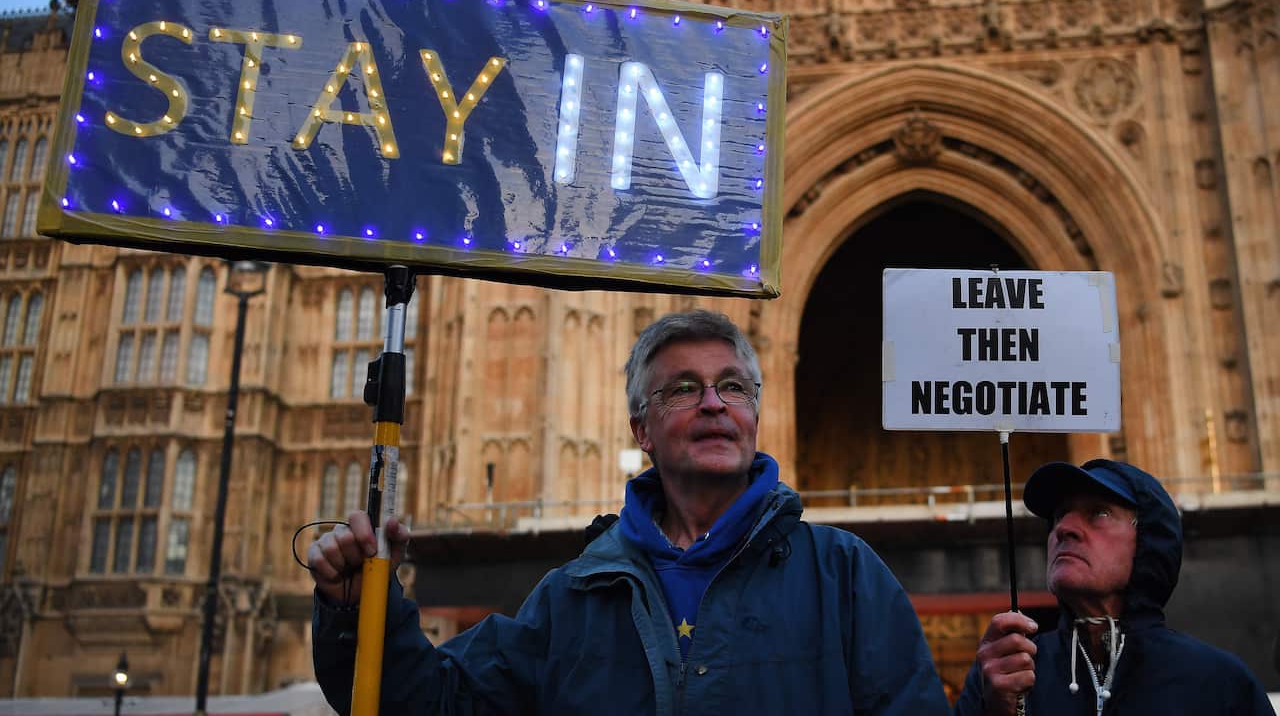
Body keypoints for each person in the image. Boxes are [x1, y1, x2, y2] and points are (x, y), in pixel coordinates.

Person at [310, 309, 949, 714]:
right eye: (682, 390)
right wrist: (356, 609)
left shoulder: (841, 574)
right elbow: (430, 705)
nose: (714, 404)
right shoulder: (576, 597)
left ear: (755, 413)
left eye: (733, 387)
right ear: (641, 430)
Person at [955, 458, 1273, 715]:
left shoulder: (1220, 683)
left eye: (1099, 513)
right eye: (1060, 514)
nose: (1064, 528)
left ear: (1148, 540)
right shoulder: (1005, 675)